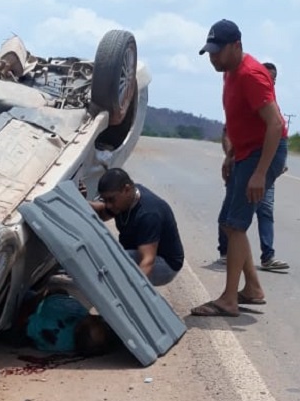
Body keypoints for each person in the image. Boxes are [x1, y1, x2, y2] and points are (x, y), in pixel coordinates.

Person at [192, 19, 288, 317]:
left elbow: (275, 124)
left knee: (236, 225)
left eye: (217, 51)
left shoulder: (251, 75)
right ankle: (253, 289)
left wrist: (260, 173)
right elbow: (240, 118)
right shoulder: (229, 71)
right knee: (229, 222)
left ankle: (229, 299)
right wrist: (231, 154)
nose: (213, 58)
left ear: (236, 46)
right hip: (245, 153)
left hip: (263, 153)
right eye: (210, 52)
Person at [216, 62, 289, 271]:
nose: (270, 81)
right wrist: (230, 156)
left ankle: (267, 256)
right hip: (244, 164)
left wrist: (265, 170)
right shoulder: (250, 93)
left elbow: (278, 132)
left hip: (261, 167)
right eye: (267, 77)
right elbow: (230, 132)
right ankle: (227, 253)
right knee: (231, 220)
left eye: (273, 79)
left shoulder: (269, 103)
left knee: (260, 213)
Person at [87, 168, 185, 286]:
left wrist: (134, 290)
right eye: (105, 200)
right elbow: (102, 214)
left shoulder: (148, 214)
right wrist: (80, 200)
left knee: (114, 263)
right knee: (106, 255)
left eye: (111, 199)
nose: (108, 205)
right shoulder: (125, 199)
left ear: (127, 189)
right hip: (138, 251)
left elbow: (147, 261)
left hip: (164, 264)